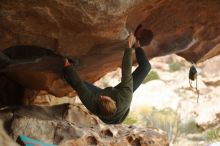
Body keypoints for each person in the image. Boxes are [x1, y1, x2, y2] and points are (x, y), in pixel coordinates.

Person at [63, 28, 153, 124]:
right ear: (113, 101)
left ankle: (67, 67)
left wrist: (67, 66)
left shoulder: (92, 103)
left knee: (72, 79)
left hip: (106, 107)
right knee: (146, 67)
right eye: (104, 97)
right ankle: (137, 45)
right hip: (120, 100)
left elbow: (78, 85)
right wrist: (129, 47)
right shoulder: (125, 97)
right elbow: (126, 71)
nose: (102, 96)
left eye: (101, 98)